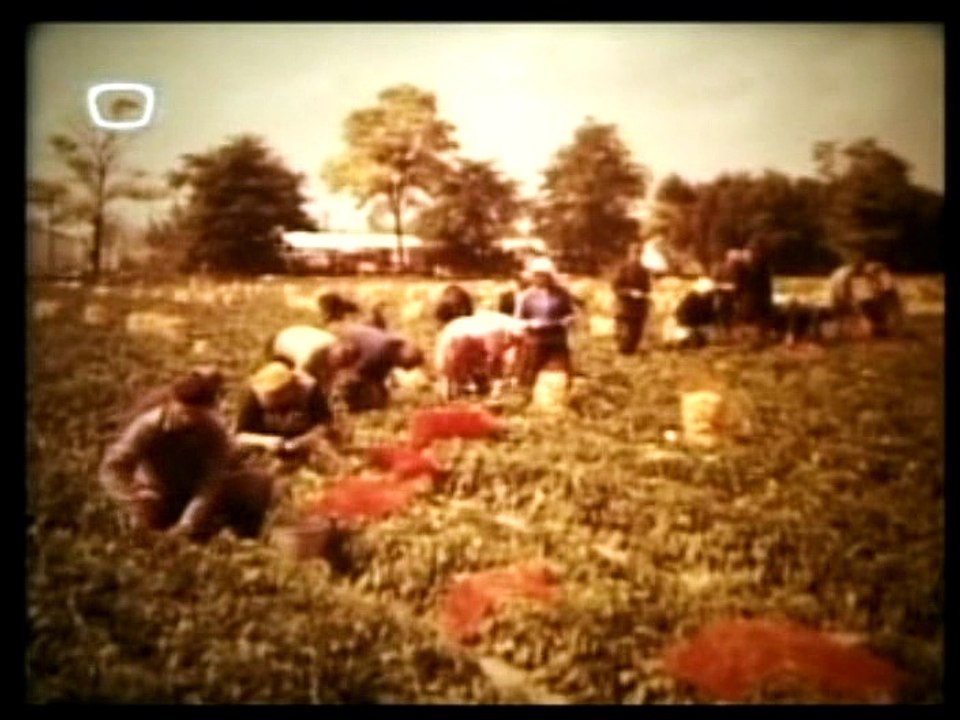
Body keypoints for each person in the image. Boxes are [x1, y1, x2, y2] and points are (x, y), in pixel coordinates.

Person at [98, 366, 275, 542]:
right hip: (156, 491)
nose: (187, 420)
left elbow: (210, 483)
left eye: (196, 416)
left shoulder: (215, 431)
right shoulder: (149, 425)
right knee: (144, 511)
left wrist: (187, 524)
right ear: (172, 404)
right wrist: (130, 496)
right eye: (183, 413)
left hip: (193, 493)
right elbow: (114, 465)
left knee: (258, 482)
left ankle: (239, 532)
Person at [234, 361, 343, 461]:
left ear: (291, 387)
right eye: (270, 395)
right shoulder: (256, 395)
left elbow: (326, 422)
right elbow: (241, 435)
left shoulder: (309, 390)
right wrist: (266, 441)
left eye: (278, 394)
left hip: (305, 439)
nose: (272, 399)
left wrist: (305, 440)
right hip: (268, 445)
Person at [514, 256, 577, 388]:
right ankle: (526, 393)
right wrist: (530, 324)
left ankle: (561, 394)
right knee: (530, 370)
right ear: (532, 277)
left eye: (544, 276)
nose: (540, 279)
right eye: (537, 276)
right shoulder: (526, 296)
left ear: (550, 276)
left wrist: (566, 321)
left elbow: (570, 314)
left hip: (557, 338)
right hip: (535, 339)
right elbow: (518, 320)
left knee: (560, 372)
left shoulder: (562, 294)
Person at [336, 323, 426, 411]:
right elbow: (359, 372)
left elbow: (379, 375)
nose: (405, 370)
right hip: (344, 347)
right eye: (406, 367)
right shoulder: (377, 352)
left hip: (355, 348)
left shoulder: (390, 351)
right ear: (402, 360)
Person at [611, 243, 652, 355]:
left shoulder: (644, 271)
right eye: (635, 253)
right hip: (624, 306)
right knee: (624, 332)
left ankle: (631, 350)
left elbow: (647, 288)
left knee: (636, 332)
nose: (637, 256)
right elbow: (616, 287)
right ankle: (622, 349)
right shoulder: (623, 269)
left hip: (639, 307)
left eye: (639, 254)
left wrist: (642, 294)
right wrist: (630, 292)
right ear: (630, 254)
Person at [666, 276, 719, 349]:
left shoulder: (709, 300)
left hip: (700, 323)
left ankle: (697, 339)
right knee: (683, 335)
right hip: (686, 322)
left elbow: (710, 315)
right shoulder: (690, 300)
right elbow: (682, 314)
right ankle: (682, 341)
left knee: (703, 335)